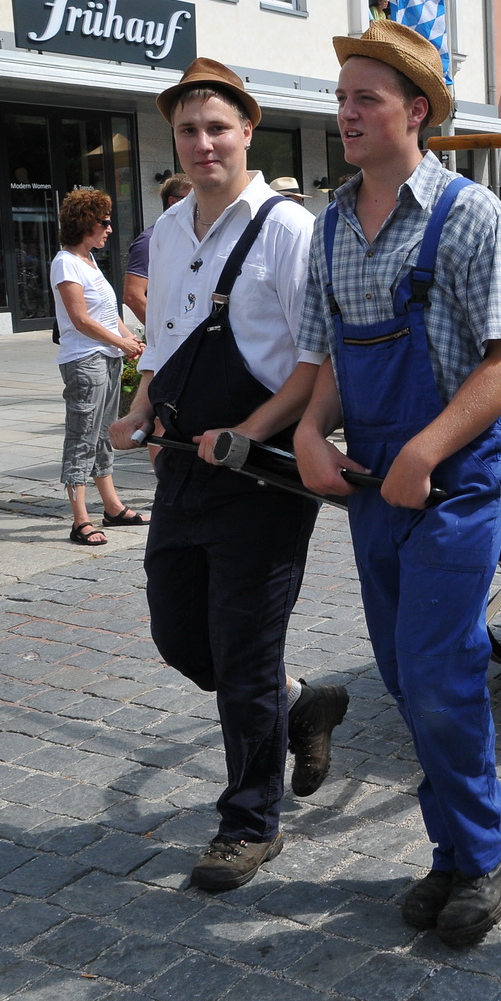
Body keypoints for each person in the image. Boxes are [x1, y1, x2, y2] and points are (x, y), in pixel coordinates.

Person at [292, 21, 501, 947]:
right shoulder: (329, 226)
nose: (347, 113)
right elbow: (326, 358)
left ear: (417, 111)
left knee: (438, 669)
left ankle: (482, 850)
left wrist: (426, 450)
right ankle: (454, 847)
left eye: (367, 98)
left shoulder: (469, 214)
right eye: (341, 97)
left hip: (456, 473)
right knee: (403, 673)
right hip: (374, 478)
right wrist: (310, 430)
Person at [109, 59, 347, 892]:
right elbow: (167, 340)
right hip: (182, 463)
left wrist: (248, 433)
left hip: (263, 476)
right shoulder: (170, 227)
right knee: (179, 634)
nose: (203, 142)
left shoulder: (289, 229)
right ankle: (299, 700)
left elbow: (317, 361)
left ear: (248, 130)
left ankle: (249, 823)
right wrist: (141, 407)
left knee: (243, 654)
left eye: (217, 127)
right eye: (188, 129)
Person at [51, 187, 147, 545]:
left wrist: (130, 338)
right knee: (82, 438)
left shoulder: (88, 261)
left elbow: (106, 314)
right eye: (104, 222)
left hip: (105, 357)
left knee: (103, 434)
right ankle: (80, 520)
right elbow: (80, 319)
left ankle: (112, 507)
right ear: (85, 223)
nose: (109, 228)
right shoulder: (66, 262)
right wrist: (121, 342)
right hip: (85, 360)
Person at [124, 175, 193, 326]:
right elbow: (133, 296)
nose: (198, 203)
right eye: (192, 198)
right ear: (173, 201)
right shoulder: (149, 240)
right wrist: (160, 332)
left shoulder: (191, 237)